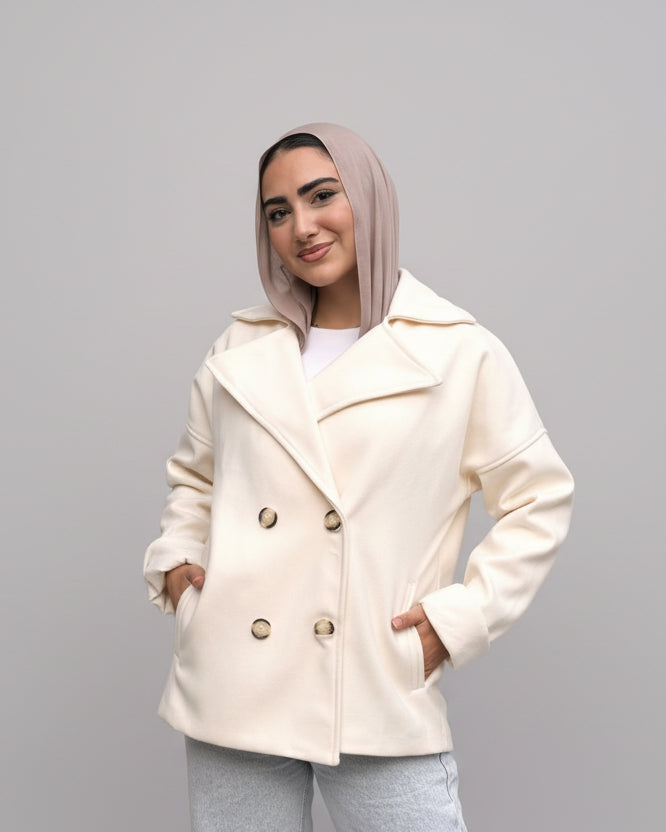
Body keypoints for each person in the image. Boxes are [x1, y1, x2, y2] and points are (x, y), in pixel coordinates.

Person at [143, 123, 574, 831]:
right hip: (235, 680)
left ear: (369, 199)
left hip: (372, 678)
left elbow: (540, 498)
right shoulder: (239, 346)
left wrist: (457, 621)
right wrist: (178, 565)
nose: (301, 227)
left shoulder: (458, 351)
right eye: (278, 211)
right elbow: (195, 478)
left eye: (322, 196)